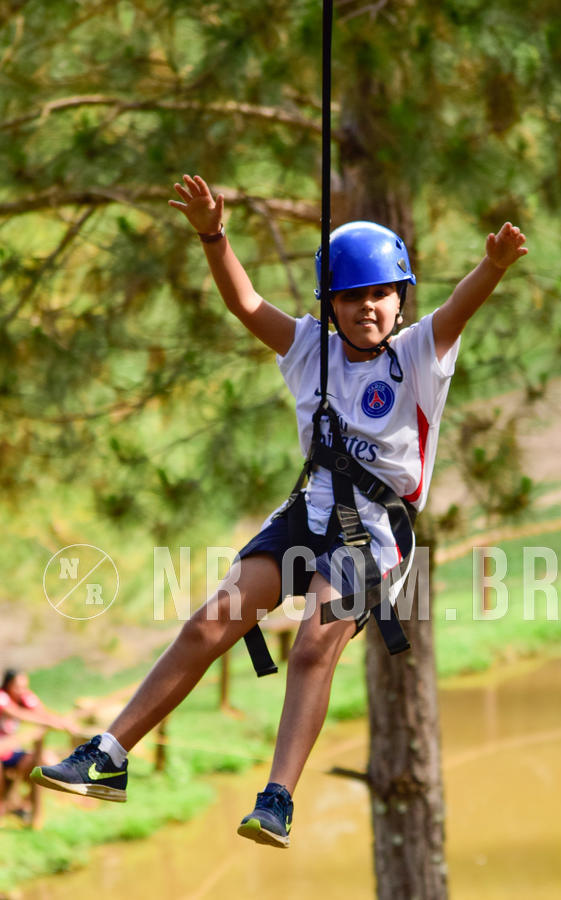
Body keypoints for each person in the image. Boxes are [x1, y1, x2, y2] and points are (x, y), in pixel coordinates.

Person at [31, 175, 527, 847]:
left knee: (315, 642)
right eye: (351, 297)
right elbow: (244, 301)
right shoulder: (307, 351)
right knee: (212, 623)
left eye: (381, 293)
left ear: (402, 298)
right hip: (306, 512)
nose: (368, 308)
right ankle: (108, 757)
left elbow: (458, 311)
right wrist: (214, 234)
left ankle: (277, 799)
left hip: (376, 532)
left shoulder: (418, 356)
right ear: (331, 305)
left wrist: (490, 267)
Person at [0, 669, 79, 818]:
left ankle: (23, 805)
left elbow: (41, 712)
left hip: (11, 752)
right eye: (17, 686)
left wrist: (61, 722)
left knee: (49, 763)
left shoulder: (25, 696)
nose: (21, 690)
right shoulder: (2, 697)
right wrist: (52, 723)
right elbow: (17, 713)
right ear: (8, 684)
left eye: (24, 686)